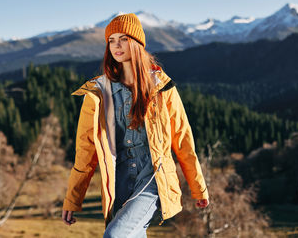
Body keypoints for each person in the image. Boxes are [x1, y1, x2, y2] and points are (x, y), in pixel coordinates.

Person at [61, 13, 209, 237]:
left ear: (137, 43)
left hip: (152, 179)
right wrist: (73, 199)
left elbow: (183, 139)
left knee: (114, 236)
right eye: (111, 40)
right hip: (117, 180)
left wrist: (198, 188)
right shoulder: (97, 93)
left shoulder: (162, 87)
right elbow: (85, 149)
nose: (116, 46)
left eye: (123, 39)